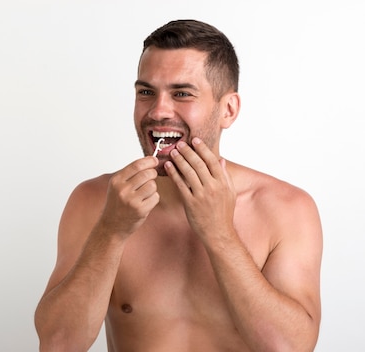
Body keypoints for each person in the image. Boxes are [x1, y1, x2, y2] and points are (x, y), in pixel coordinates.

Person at [34, 19, 322, 351]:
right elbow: (58, 343)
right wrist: (111, 231)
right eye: (146, 92)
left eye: (181, 93)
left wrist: (220, 234)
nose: (158, 111)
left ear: (228, 110)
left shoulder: (287, 208)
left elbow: (290, 348)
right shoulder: (95, 201)